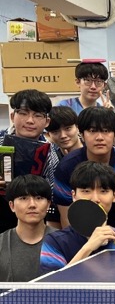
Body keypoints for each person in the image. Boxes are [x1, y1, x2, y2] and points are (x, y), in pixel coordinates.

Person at [40, 161, 115, 273]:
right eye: (86, 191)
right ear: (74, 196)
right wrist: (88, 248)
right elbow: (53, 283)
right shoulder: (54, 242)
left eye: (103, 191)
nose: (95, 199)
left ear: (114, 196)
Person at [53, 107, 115, 228]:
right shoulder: (67, 167)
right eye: (92, 131)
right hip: (80, 233)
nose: (99, 137)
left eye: (106, 131)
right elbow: (67, 218)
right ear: (82, 135)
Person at [0, 89, 59, 233]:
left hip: (33, 222)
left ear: (47, 121)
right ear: (13, 116)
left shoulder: (52, 153)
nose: (30, 120)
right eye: (23, 113)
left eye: (37, 115)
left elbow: (52, 194)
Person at [0, 175, 55, 281]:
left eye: (38, 198)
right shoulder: (1, 243)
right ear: (12, 206)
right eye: (24, 198)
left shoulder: (63, 242)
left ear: (48, 204)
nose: (32, 205)